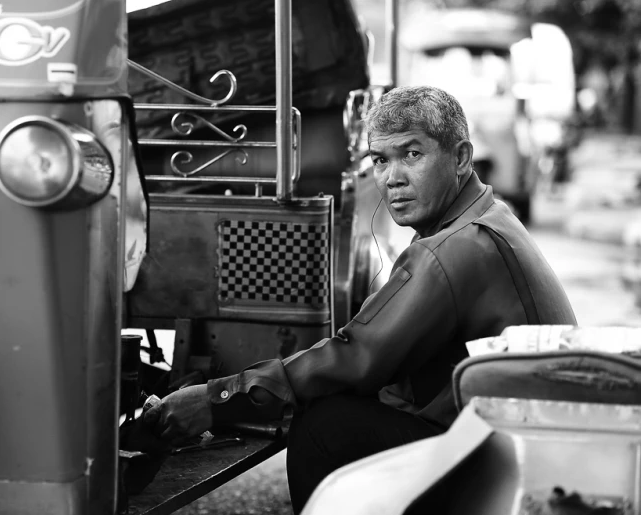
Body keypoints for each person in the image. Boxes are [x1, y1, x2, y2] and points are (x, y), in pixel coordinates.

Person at [143, 85, 577, 513]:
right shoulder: (487, 216)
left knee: (324, 426)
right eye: (380, 161)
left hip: (516, 468)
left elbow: (354, 358)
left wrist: (216, 401)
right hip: (529, 444)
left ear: (461, 158)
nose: (393, 178)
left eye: (412, 155)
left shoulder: (453, 248)